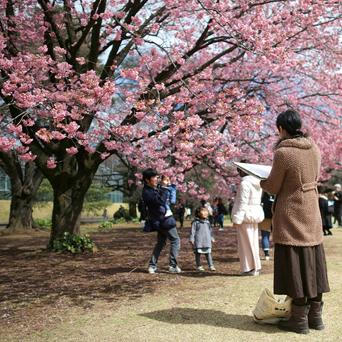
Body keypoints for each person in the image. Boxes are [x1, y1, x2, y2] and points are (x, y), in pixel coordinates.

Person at [260, 109, 330, 334]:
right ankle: (315, 317)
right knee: (313, 261)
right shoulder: (314, 147)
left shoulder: (284, 153)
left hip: (291, 213)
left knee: (294, 263)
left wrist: (260, 180)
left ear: (281, 128)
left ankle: (299, 320)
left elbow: (272, 186)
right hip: (311, 209)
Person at [142, 168, 181, 274]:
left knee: (161, 243)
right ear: (147, 180)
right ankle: (172, 266)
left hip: (161, 220)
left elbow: (170, 200)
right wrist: (163, 187)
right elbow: (160, 201)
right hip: (164, 220)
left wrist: (169, 187)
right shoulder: (147, 192)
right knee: (175, 240)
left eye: (157, 177)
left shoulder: (154, 188)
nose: (157, 179)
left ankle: (152, 265)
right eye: (154, 177)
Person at [231, 167, 264, 276]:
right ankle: (255, 267)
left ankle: (250, 268)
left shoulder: (245, 183)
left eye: (239, 170)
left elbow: (242, 203)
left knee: (246, 243)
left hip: (246, 215)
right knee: (253, 242)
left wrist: (237, 219)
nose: (238, 173)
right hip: (254, 213)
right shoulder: (257, 183)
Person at [189, 207, 216, 272]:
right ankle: (199, 266)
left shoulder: (207, 222)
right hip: (199, 241)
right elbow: (192, 231)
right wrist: (191, 239)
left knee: (208, 253)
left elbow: (210, 231)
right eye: (203, 211)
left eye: (206, 211)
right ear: (198, 213)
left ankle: (211, 265)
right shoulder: (195, 222)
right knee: (198, 254)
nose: (206, 212)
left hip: (207, 241)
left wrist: (212, 237)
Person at [259, 192, 275, 260]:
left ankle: (266, 254)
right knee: (278, 236)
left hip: (265, 218)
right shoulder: (276, 194)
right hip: (275, 217)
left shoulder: (262, 196)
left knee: (265, 236)